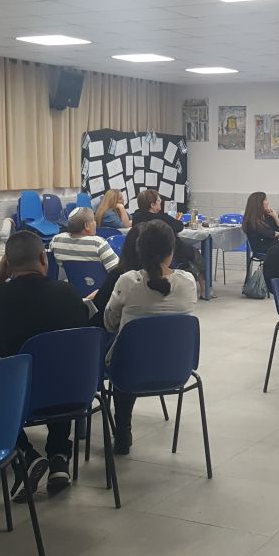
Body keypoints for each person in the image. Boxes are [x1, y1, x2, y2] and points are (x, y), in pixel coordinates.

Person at [0, 231, 90, 500]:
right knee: (58, 366)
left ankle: (26, 455)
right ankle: (59, 455)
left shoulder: (0, 295)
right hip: (72, 392)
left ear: (7, 264)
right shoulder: (67, 293)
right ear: (43, 258)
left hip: (19, 397)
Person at [104, 220, 198, 454]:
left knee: (123, 355)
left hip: (131, 369)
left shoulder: (128, 281)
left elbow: (109, 322)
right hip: (176, 368)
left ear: (139, 250)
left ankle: (123, 430)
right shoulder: (188, 282)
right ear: (171, 250)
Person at [129, 189, 198, 267]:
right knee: (196, 254)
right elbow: (179, 226)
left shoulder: (136, 217)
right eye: (159, 201)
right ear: (152, 205)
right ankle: (203, 274)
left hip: (142, 256)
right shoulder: (161, 218)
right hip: (166, 255)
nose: (161, 202)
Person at [50, 207, 119, 272]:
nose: (95, 223)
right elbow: (116, 271)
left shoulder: (56, 240)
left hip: (72, 280)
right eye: (93, 220)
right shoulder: (98, 243)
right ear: (87, 226)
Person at [242, 191, 279, 257]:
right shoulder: (251, 221)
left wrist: (275, 216)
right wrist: (276, 233)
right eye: (265, 200)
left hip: (271, 244)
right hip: (262, 248)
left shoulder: (266, 216)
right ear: (259, 203)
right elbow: (267, 233)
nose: (268, 202)